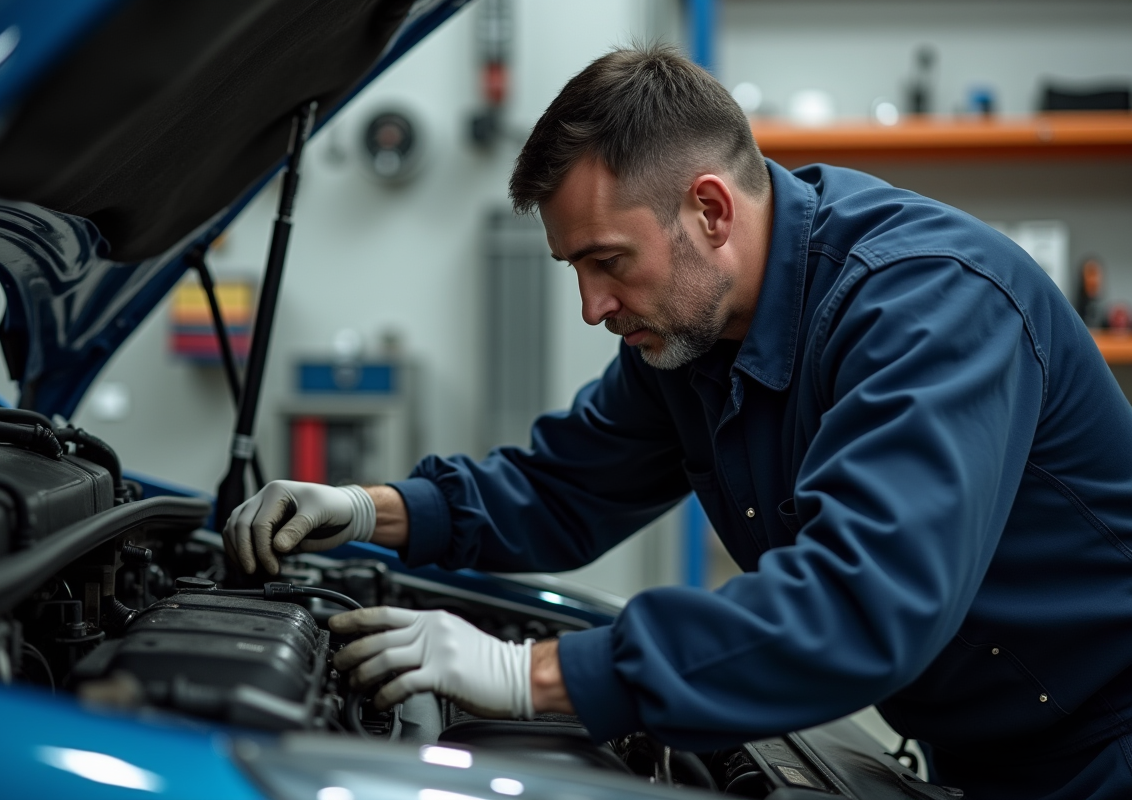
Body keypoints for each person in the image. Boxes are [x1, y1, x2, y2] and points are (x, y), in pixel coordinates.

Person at [224, 46, 1132, 799]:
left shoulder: (928, 306)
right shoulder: (694, 337)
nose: (592, 307)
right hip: (981, 753)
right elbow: (562, 486)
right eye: (574, 270)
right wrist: (364, 509)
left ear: (710, 209)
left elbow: (859, 606)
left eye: (608, 261)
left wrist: (525, 676)